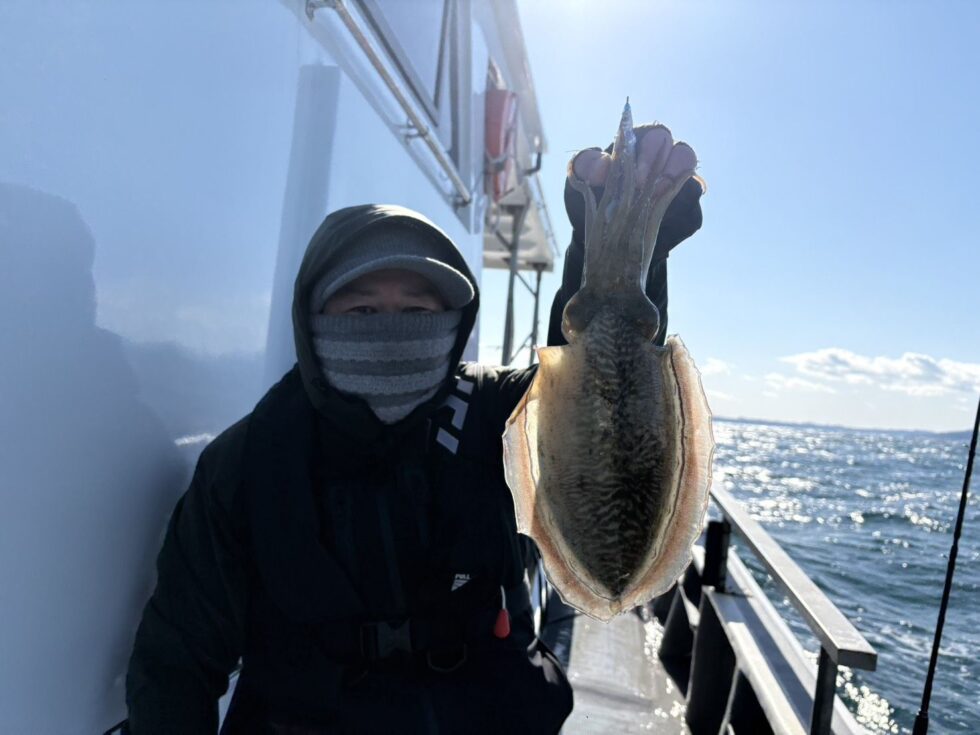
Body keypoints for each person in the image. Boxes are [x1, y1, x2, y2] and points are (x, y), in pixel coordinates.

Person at [125, 129, 703, 734]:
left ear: (452, 323)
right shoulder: (250, 461)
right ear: (313, 318)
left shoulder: (495, 412)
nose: (391, 331)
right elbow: (176, 660)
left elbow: (592, 387)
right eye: (362, 311)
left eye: (419, 311)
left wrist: (626, 254)